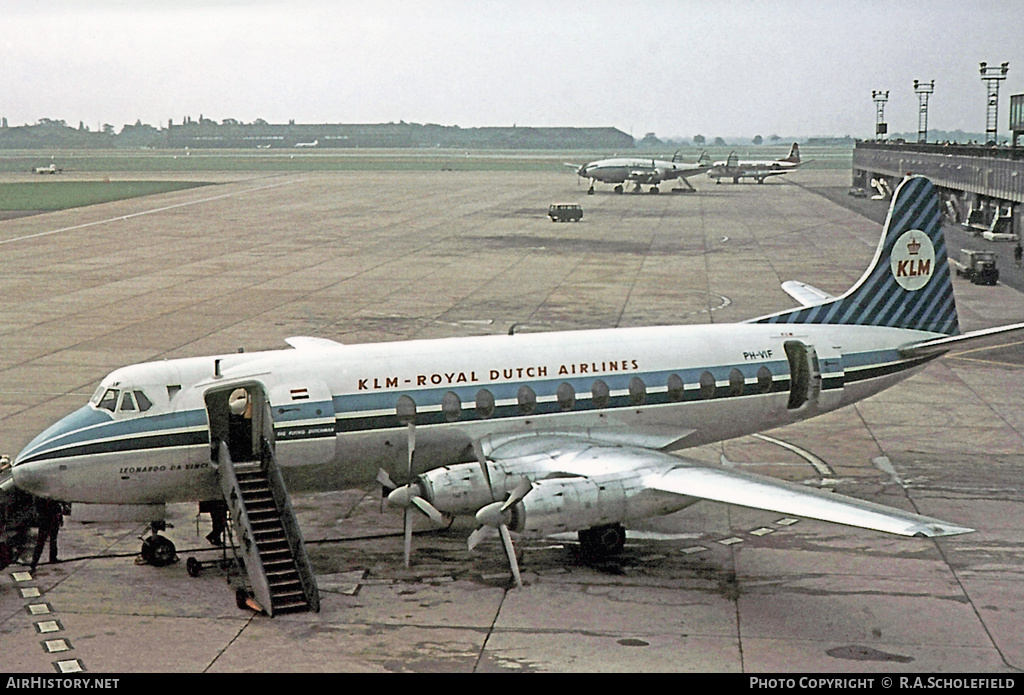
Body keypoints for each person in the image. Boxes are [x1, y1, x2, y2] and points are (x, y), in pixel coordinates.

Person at [30, 498, 64, 571]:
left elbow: (58, 508)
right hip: (47, 520)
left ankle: (52, 557)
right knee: (42, 542)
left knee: (52, 540)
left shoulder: (51, 497)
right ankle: (35, 561)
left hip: (52, 520)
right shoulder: (44, 499)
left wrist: (60, 518)